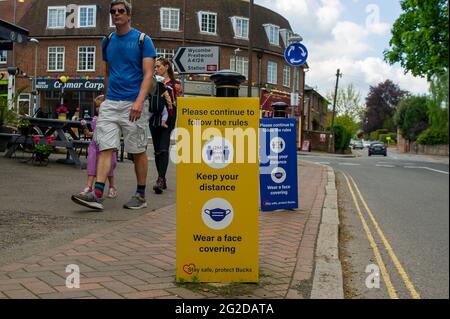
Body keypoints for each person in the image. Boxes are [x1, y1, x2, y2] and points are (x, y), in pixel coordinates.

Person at [71, 0, 156, 211]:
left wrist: (138, 101)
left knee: (137, 151)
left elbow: (148, 74)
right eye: (113, 12)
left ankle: (140, 194)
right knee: (105, 147)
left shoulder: (143, 40)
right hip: (111, 103)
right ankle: (97, 193)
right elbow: (108, 73)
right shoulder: (107, 40)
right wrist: (105, 100)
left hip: (133, 103)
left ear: (129, 15)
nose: (116, 14)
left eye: (120, 11)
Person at [151, 57, 182, 194]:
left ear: (166, 67)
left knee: (163, 148)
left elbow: (177, 102)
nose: (156, 69)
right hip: (153, 116)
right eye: (155, 67)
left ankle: (161, 178)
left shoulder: (175, 84)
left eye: (158, 66)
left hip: (168, 116)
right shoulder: (152, 81)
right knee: (157, 149)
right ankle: (161, 178)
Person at [79, 95, 118, 199]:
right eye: (96, 107)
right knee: (91, 165)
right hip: (94, 146)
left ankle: (112, 187)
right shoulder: (95, 119)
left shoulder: (112, 119)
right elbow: (95, 132)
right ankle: (89, 186)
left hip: (107, 146)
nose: (97, 109)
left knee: (108, 168)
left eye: (99, 106)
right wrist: (88, 132)